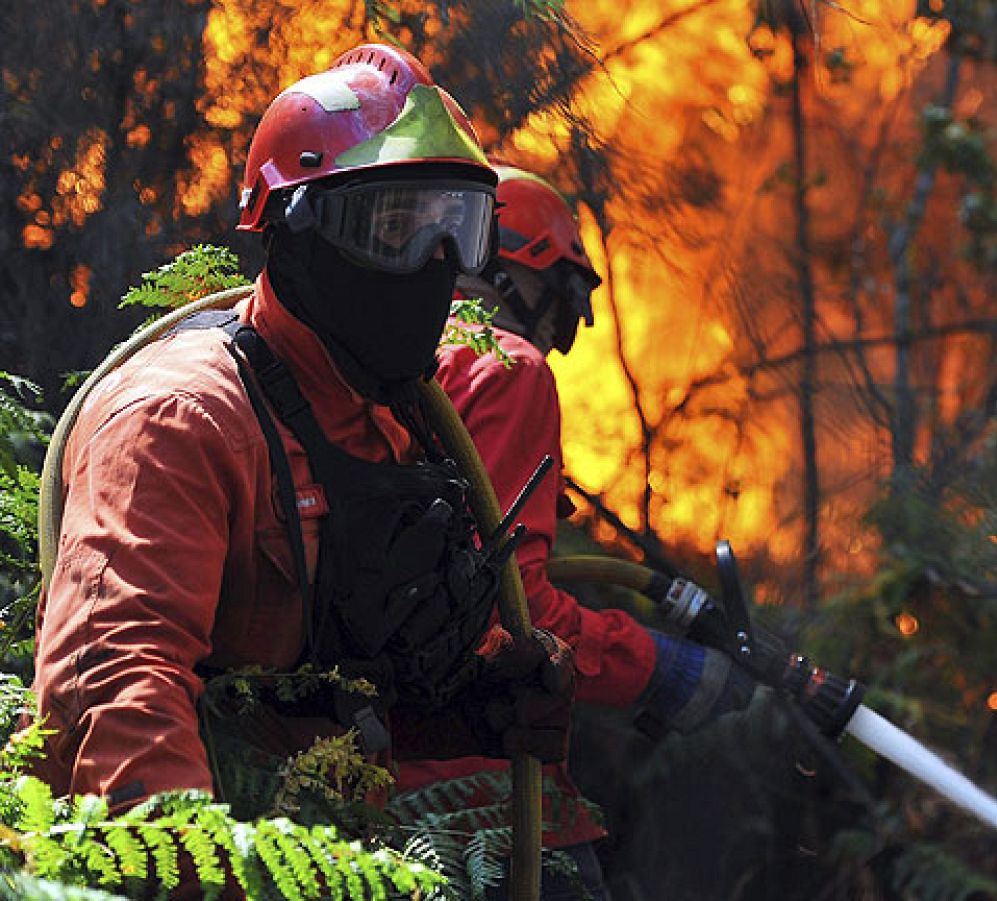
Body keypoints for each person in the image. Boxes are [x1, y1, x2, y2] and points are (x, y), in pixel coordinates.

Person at [28, 43, 571, 836]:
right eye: (396, 227)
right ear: (295, 228)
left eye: (455, 228)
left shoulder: (392, 419)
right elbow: (111, 692)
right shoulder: (181, 419)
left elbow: (311, 688)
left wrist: (473, 705)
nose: (435, 265)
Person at [414, 164, 757, 898]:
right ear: (514, 270)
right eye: (559, 300)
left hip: (369, 775)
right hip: (481, 788)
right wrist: (662, 668)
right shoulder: (508, 369)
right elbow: (515, 604)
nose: (554, 330)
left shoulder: (397, 354)